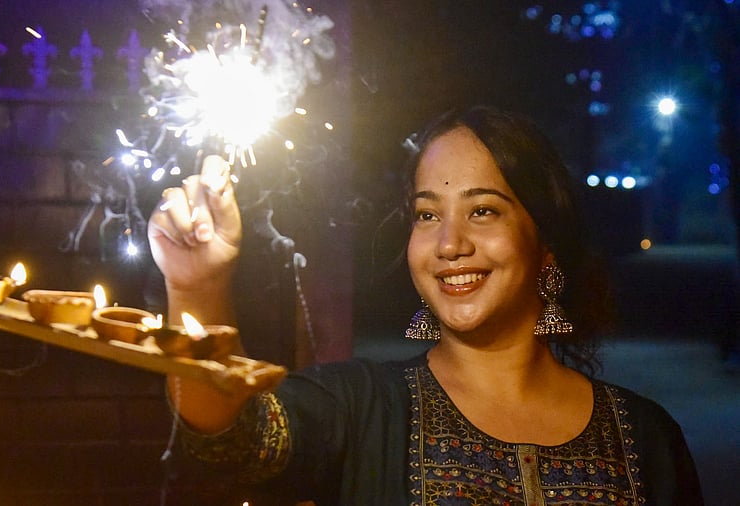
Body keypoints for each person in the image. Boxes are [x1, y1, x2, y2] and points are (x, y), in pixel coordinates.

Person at [148, 106, 703, 505]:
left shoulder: (646, 438)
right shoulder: (361, 407)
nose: (448, 244)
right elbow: (235, 439)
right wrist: (199, 287)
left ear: (545, 243)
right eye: (427, 214)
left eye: (483, 211)